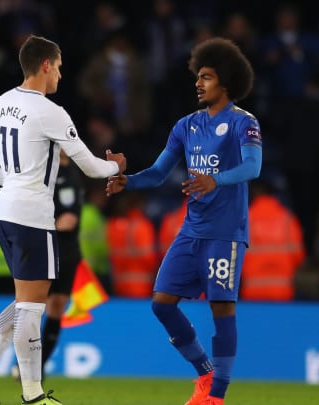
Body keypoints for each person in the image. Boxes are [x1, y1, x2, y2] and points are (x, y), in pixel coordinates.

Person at [0, 35, 126, 405]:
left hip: (3, 212)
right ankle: (32, 395)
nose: (61, 76)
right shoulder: (50, 112)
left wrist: (8, 181)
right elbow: (91, 166)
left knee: (27, 300)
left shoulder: (1, 103)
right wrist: (117, 165)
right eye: (60, 67)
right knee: (33, 308)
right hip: (32, 216)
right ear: (46, 65)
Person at [106, 37, 261, 405]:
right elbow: (160, 173)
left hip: (225, 233)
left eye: (206, 76)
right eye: (198, 76)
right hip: (192, 231)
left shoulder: (244, 123)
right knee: (161, 302)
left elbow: (253, 166)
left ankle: (216, 397)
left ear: (226, 81)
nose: (198, 83)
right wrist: (129, 181)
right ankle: (205, 373)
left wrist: (216, 179)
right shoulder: (186, 126)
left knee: (222, 307)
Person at [41, 149, 85, 377]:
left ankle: (38, 365)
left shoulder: (75, 172)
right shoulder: (43, 170)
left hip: (68, 249)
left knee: (57, 305)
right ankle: (23, 361)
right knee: (34, 304)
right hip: (46, 244)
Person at [240, 179, 305, 301]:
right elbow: (298, 255)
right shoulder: (287, 219)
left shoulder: (246, 219)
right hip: (282, 291)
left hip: (253, 291)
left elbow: (235, 255)